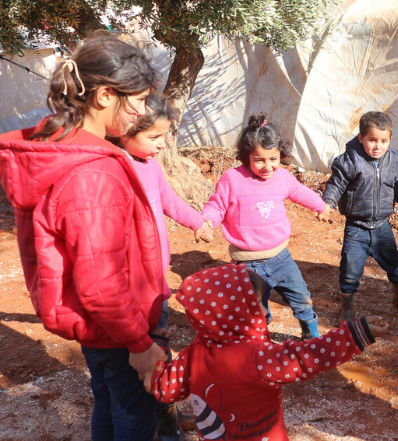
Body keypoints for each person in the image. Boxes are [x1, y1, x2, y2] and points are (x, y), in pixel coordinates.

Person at [0, 36, 167, 440]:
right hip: (118, 328)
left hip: (96, 327)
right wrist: (140, 345)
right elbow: (102, 283)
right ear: (106, 95)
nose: (143, 113)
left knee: (109, 402)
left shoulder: (60, 147)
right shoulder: (94, 173)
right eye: (140, 101)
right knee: (134, 415)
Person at [149, 263, 388, 441]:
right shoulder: (258, 358)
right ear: (236, 315)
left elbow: (163, 389)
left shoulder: (194, 354)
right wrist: (355, 334)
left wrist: (158, 346)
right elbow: (308, 356)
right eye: (259, 304)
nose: (265, 312)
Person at [116, 94, 213, 440]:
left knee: (162, 356)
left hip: (157, 284)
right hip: (131, 290)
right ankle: (163, 428)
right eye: (154, 138)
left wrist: (197, 222)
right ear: (126, 129)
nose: (161, 146)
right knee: (149, 360)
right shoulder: (117, 167)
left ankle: (166, 417)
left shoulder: (149, 165)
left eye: (164, 137)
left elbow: (169, 200)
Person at [201, 113, 331, 339]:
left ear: (281, 155)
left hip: (281, 258)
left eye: (273, 159)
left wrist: (321, 206)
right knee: (256, 312)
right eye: (259, 160)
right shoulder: (232, 179)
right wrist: (207, 222)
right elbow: (217, 204)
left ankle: (311, 335)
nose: (267, 166)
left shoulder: (282, 177)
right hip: (247, 265)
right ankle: (260, 346)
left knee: (302, 298)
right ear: (246, 156)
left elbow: (301, 193)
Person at [322, 111, 398, 326]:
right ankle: (347, 305)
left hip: (382, 227)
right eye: (372, 140)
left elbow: (395, 182)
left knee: (394, 265)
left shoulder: (393, 159)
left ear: (390, 139)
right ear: (361, 138)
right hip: (356, 227)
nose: (378, 146)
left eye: (384, 141)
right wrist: (327, 204)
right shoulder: (349, 160)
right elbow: (336, 184)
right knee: (350, 269)